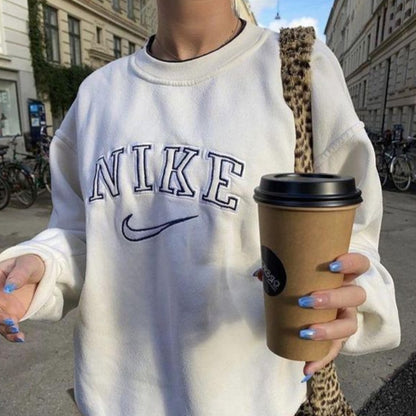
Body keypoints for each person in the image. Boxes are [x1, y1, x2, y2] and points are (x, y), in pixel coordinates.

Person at [0, 1, 400, 415]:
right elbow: (81, 233)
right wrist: (39, 265)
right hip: (114, 398)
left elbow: (355, 232)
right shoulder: (98, 94)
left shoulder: (297, 68)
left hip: (250, 400)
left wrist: (350, 294)